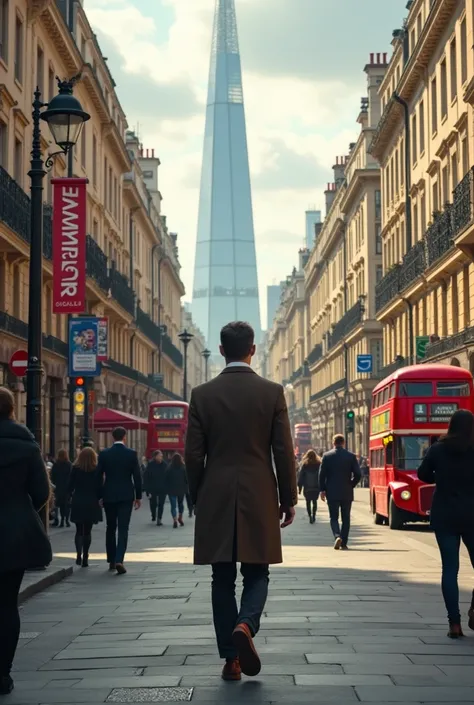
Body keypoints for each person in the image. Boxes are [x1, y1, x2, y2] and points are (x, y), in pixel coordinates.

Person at [185, 321, 297, 682]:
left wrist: (196, 495)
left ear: (220, 351)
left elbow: (192, 455)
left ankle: (231, 659)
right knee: (258, 570)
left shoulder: (202, 395)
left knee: (221, 576)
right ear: (252, 349)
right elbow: (284, 451)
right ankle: (246, 625)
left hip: (215, 493)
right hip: (259, 493)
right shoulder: (272, 392)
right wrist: (288, 498)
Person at [0, 387, 52, 695]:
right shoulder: (26, 445)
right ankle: (3, 674)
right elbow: (42, 493)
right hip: (15, 536)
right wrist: (21, 510)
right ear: (11, 410)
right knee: (7, 605)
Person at [417, 409, 474, 638]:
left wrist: (439, 476)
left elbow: (423, 474)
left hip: (445, 515)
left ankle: (455, 624)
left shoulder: (437, 449)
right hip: (472, 516)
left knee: (450, 570)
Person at [96, 426, 142, 575]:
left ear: (112, 437)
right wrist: (138, 496)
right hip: (126, 496)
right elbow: (137, 476)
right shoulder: (131, 454)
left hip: (109, 495)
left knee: (110, 527)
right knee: (123, 528)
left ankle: (110, 559)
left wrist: (99, 496)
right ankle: (119, 559)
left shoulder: (104, 454)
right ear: (125, 437)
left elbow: (98, 477)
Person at [319, 434, 361, 550]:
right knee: (346, 517)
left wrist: (322, 490)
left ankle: (337, 535)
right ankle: (344, 542)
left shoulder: (327, 456)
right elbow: (358, 474)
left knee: (333, 517)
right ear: (343, 443)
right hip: (346, 491)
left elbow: (322, 475)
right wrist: (351, 484)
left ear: (333, 443)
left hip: (331, 491)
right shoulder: (351, 456)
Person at [69, 447, 103, 568]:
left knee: (79, 530)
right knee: (87, 530)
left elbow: (70, 485)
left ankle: (78, 554)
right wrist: (101, 498)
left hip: (78, 500)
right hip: (91, 501)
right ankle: (86, 556)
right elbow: (100, 487)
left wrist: (69, 497)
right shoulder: (96, 469)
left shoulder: (75, 469)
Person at [144, 450, 168, 525]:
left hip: (162, 488)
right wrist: (147, 489)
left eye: (161, 456)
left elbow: (168, 476)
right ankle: (153, 514)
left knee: (161, 504)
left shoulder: (165, 465)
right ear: (155, 457)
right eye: (159, 456)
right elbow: (146, 477)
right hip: (152, 488)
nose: (161, 457)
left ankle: (159, 519)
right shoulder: (150, 465)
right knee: (153, 503)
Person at [298, 450, 321, 524]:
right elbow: (321, 475)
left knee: (308, 502)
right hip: (316, 487)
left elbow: (301, 476)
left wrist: (300, 487)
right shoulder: (318, 464)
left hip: (307, 487)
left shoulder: (305, 464)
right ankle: (314, 515)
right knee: (314, 501)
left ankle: (310, 515)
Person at [165, 453, 188, 528]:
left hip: (172, 489)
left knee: (173, 506)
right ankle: (180, 517)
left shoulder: (169, 468)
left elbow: (166, 479)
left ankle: (174, 520)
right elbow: (186, 479)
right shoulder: (183, 467)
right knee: (181, 504)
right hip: (181, 489)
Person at [51, 449, 72, 528]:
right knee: (66, 505)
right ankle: (66, 520)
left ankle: (58, 520)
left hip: (58, 487)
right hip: (67, 488)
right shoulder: (69, 464)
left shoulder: (56, 465)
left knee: (57, 505)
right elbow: (71, 476)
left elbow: (53, 476)